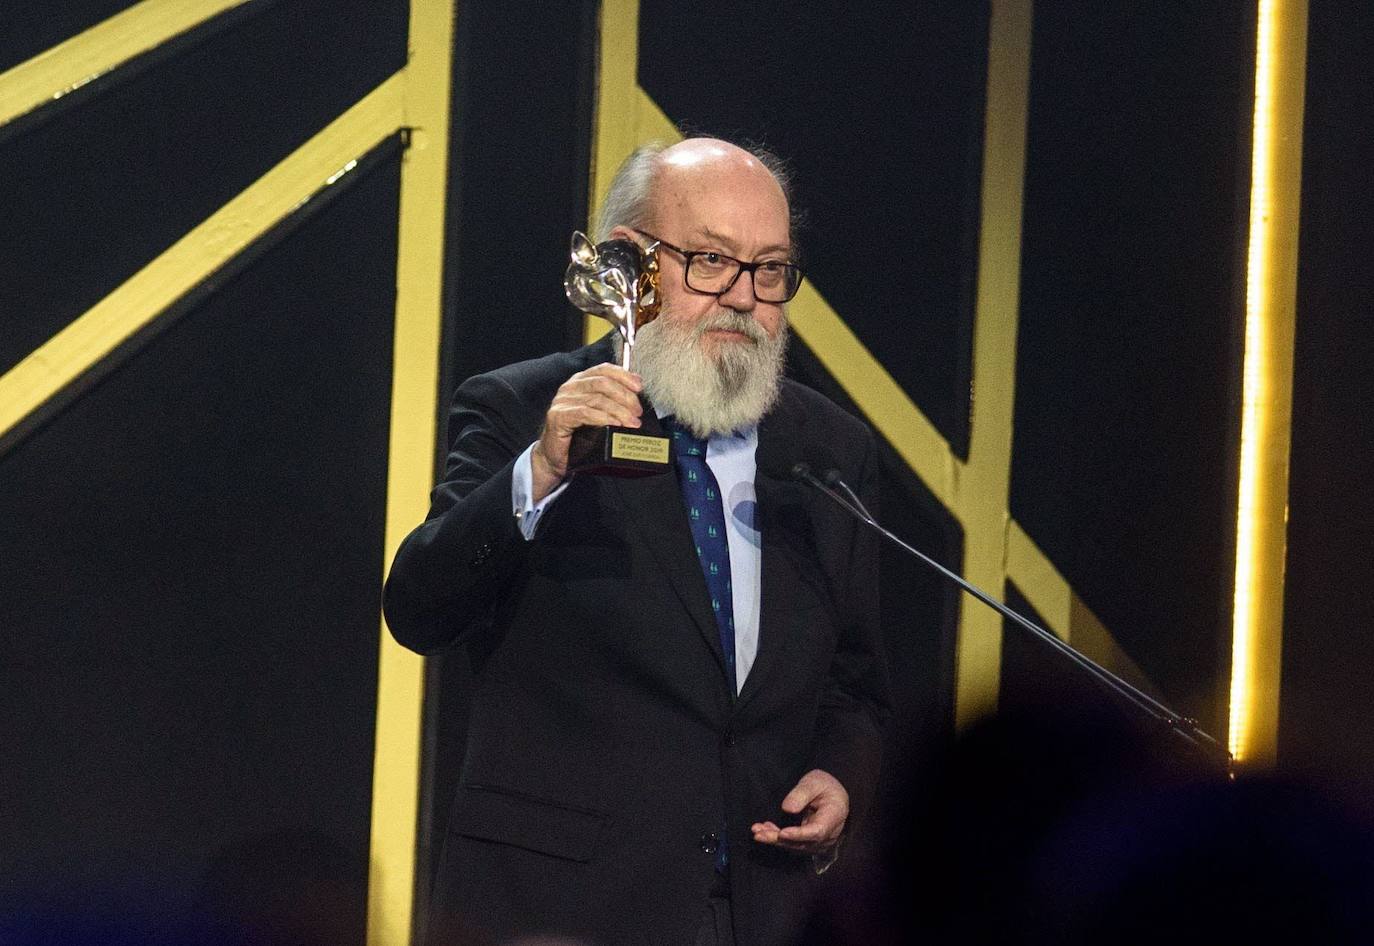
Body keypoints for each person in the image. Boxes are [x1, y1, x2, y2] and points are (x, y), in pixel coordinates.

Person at [383, 137, 889, 946]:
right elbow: (420, 608)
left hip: (763, 909)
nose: (743, 299)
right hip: (561, 914)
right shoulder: (524, 411)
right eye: (710, 261)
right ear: (628, 267)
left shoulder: (829, 451)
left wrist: (840, 774)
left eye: (769, 270)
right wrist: (543, 469)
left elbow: (854, 686)